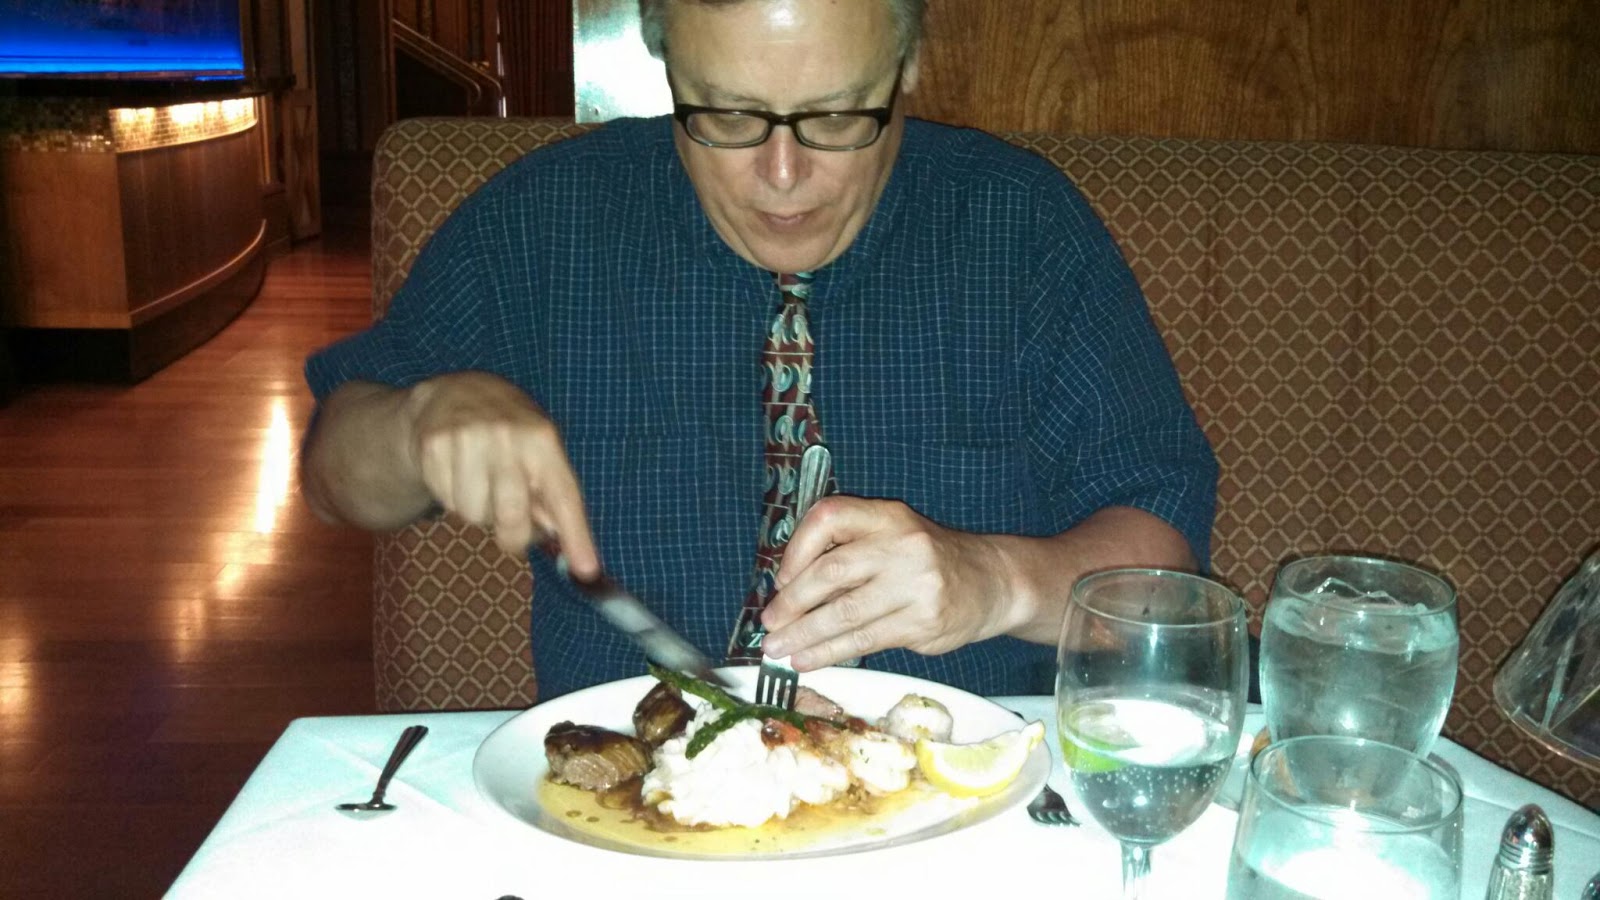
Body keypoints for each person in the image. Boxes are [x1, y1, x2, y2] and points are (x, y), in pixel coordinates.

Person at [299, 0, 1217, 701]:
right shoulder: (542, 222)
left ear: (906, 65)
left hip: (958, 803)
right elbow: (334, 476)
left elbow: (1164, 572)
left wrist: (998, 580)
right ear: (666, 64)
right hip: (625, 810)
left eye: (836, 116)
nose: (783, 176)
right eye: (729, 115)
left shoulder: (1021, 226)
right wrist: (418, 424)